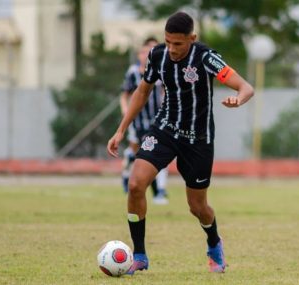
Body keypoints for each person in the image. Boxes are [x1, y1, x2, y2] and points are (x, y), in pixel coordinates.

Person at [107, 11, 254, 274]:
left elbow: (245, 87)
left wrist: (238, 99)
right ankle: (139, 255)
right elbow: (142, 91)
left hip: (198, 139)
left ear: (192, 38)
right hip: (164, 129)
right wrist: (121, 130)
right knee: (136, 184)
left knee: (197, 207)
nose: (172, 49)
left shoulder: (205, 57)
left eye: (178, 43)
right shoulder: (157, 55)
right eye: (168, 42)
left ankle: (214, 242)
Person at [120, 37, 169, 205]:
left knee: (158, 155)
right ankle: (128, 172)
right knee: (136, 153)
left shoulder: (162, 70)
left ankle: (160, 191)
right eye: (146, 51)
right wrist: (126, 111)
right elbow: (125, 95)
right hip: (137, 121)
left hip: (156, 122)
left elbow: (164, 92)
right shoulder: (133, 72)